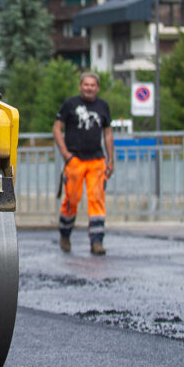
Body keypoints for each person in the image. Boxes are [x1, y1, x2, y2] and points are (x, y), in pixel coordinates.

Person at [53, 72, 114, 255]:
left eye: (93, 85)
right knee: (71, 200)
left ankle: (96, 242)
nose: (89, 88)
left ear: (98, 88)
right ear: (80, 86)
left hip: (96, 160)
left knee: (96, 199)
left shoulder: (103, 106)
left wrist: (110, 159)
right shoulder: (70, 104)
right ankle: (65, 234)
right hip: (75, 160)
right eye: (86, 85)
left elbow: (108, 133)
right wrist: (65, 154)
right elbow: (57, 128)